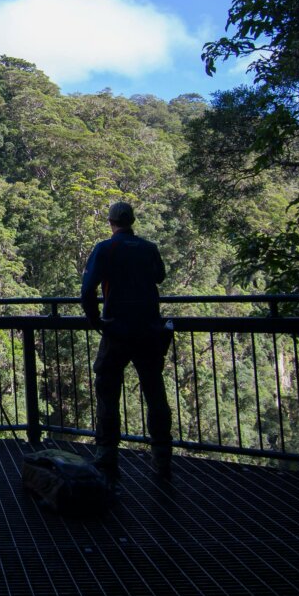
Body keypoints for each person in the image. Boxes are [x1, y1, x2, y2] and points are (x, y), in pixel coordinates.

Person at [80, 201, 173, 480]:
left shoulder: (105, 249)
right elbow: (159, 276)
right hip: (149, 331)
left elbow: (87, 291)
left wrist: (96, 321)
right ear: (132, 220)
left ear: (111, 222)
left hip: (117, 331)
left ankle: (107, 458)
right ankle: (162, 458)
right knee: (154, 392)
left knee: (108, 393)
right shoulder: (149, 249)